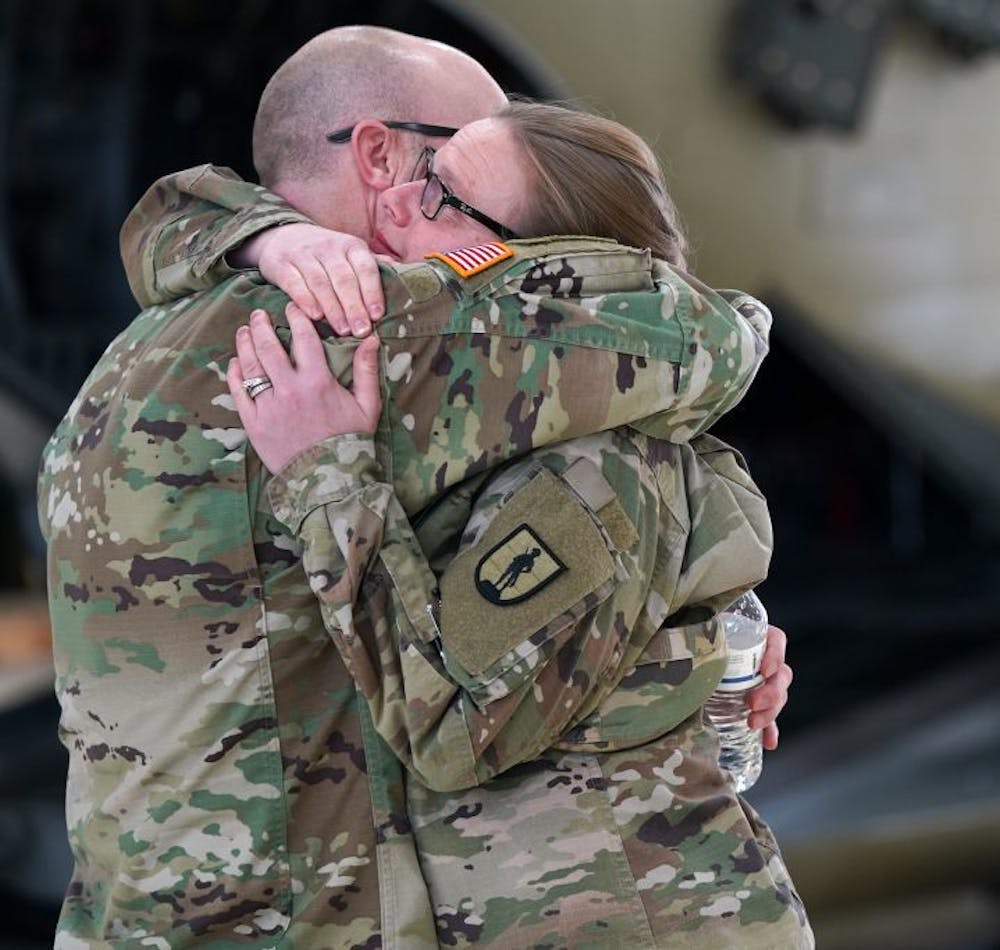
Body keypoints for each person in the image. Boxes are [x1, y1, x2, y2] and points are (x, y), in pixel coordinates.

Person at [41, 26, 791, 947]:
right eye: (444, 162)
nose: (408, 206)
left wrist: (677, 632)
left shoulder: (127, 361)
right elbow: (685, 340)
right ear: (379, 150)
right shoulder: (384, 343)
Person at [219, 99, 811, 946]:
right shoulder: (519, 424)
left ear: (532, 270)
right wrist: (269, 237)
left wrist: (323, 471)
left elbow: (451, 728)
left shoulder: (590, 467)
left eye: (439, 194)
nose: (394, 199)